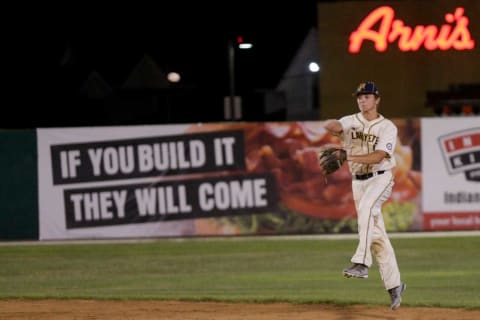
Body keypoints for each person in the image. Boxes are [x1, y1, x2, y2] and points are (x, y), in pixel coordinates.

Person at [322, 81, 406, 310]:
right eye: (359, 96)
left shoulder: (386, 126)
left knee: (368, 209)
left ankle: (361, 262)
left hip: (381, 177)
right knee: (377, 236)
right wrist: (331, 126)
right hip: (358, 183)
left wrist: (346, 155)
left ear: (377, 100)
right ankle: (395, 285)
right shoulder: (351, 121)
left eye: (367, 96)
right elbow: (334, 125)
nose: (362, 100)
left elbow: (379, 156)